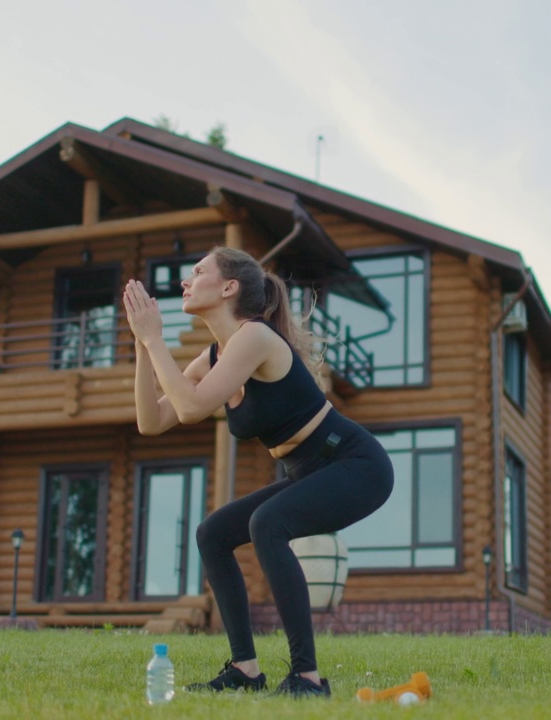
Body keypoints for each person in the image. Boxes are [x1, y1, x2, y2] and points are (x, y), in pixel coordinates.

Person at [122, 246, 394, 698]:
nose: (185, 281)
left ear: (229, 287)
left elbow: (190, 409)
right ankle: (245, 670)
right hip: (307, 470)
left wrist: (156, 341)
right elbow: (151, 422)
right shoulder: (215, 356)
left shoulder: (255, 338)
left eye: (198, 272)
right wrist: (140, 342)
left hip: (354, 463)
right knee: (213, 533)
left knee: (268, 522)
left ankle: (307, 679)